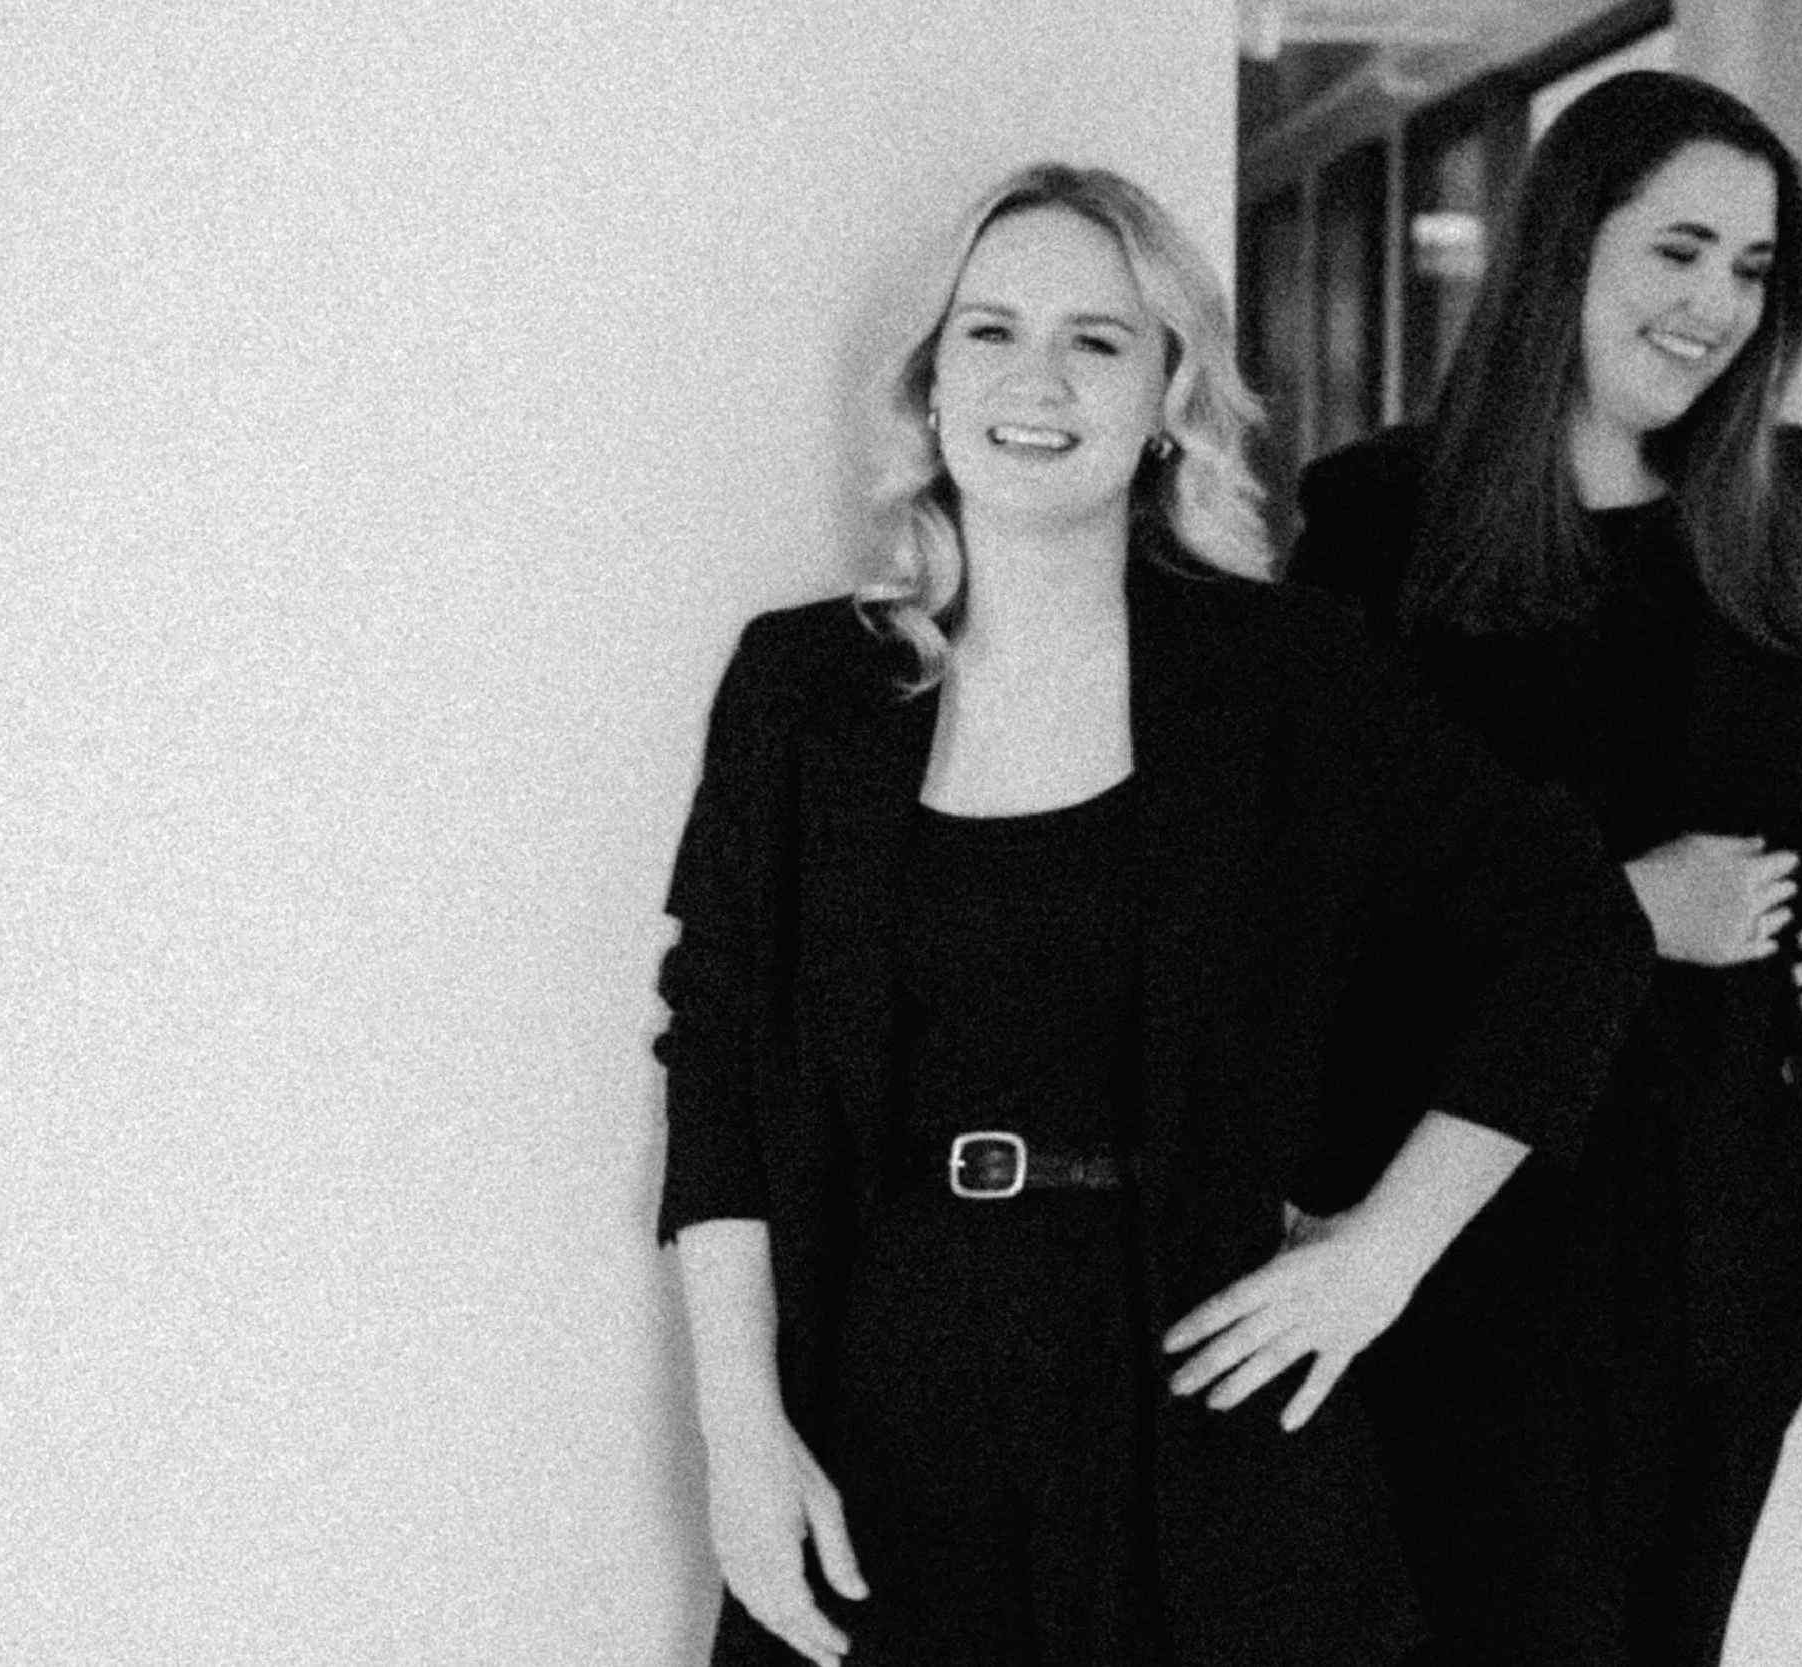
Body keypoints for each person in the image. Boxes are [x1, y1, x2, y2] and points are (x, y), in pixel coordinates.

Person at [652, 163, 1650, 1667]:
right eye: (990, 332)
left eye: (1098, 341)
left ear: (1169, 393)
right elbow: (716, 1050)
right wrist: (739, 1432)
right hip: (888, 1391)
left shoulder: (1288, 680)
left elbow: (1574, 930)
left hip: (1199, 1401)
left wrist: (1384, 1252)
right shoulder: (803, 689)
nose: (1035, 380)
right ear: (931, 381)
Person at [1289, 71, 1802, 1667]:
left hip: (1740, 1221)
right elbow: (1316, 878)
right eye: (1679, 249)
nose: (1716, 304)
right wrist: (1622, 907)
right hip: (1479, 1215)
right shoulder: (1383, 518)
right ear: (1568, 243)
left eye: (1754, 268)